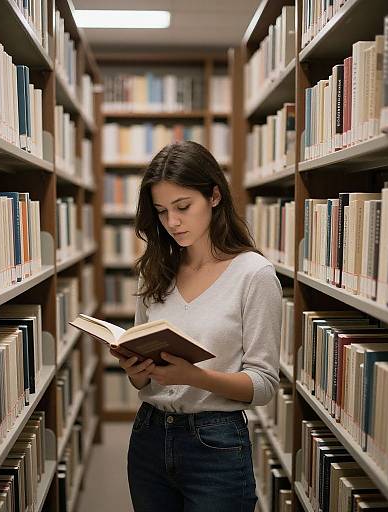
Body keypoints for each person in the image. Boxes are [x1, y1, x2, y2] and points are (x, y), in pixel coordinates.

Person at [110, 140, 282, 512]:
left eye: (183, 207)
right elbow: (144, 380)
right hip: (149, 436)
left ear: (215, 196)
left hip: (216, 442)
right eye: (161, 211)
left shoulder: (254, 275)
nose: (172, 222)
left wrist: (193, 376)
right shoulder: (155, 270)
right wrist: (135, 371)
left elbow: (264, 384)